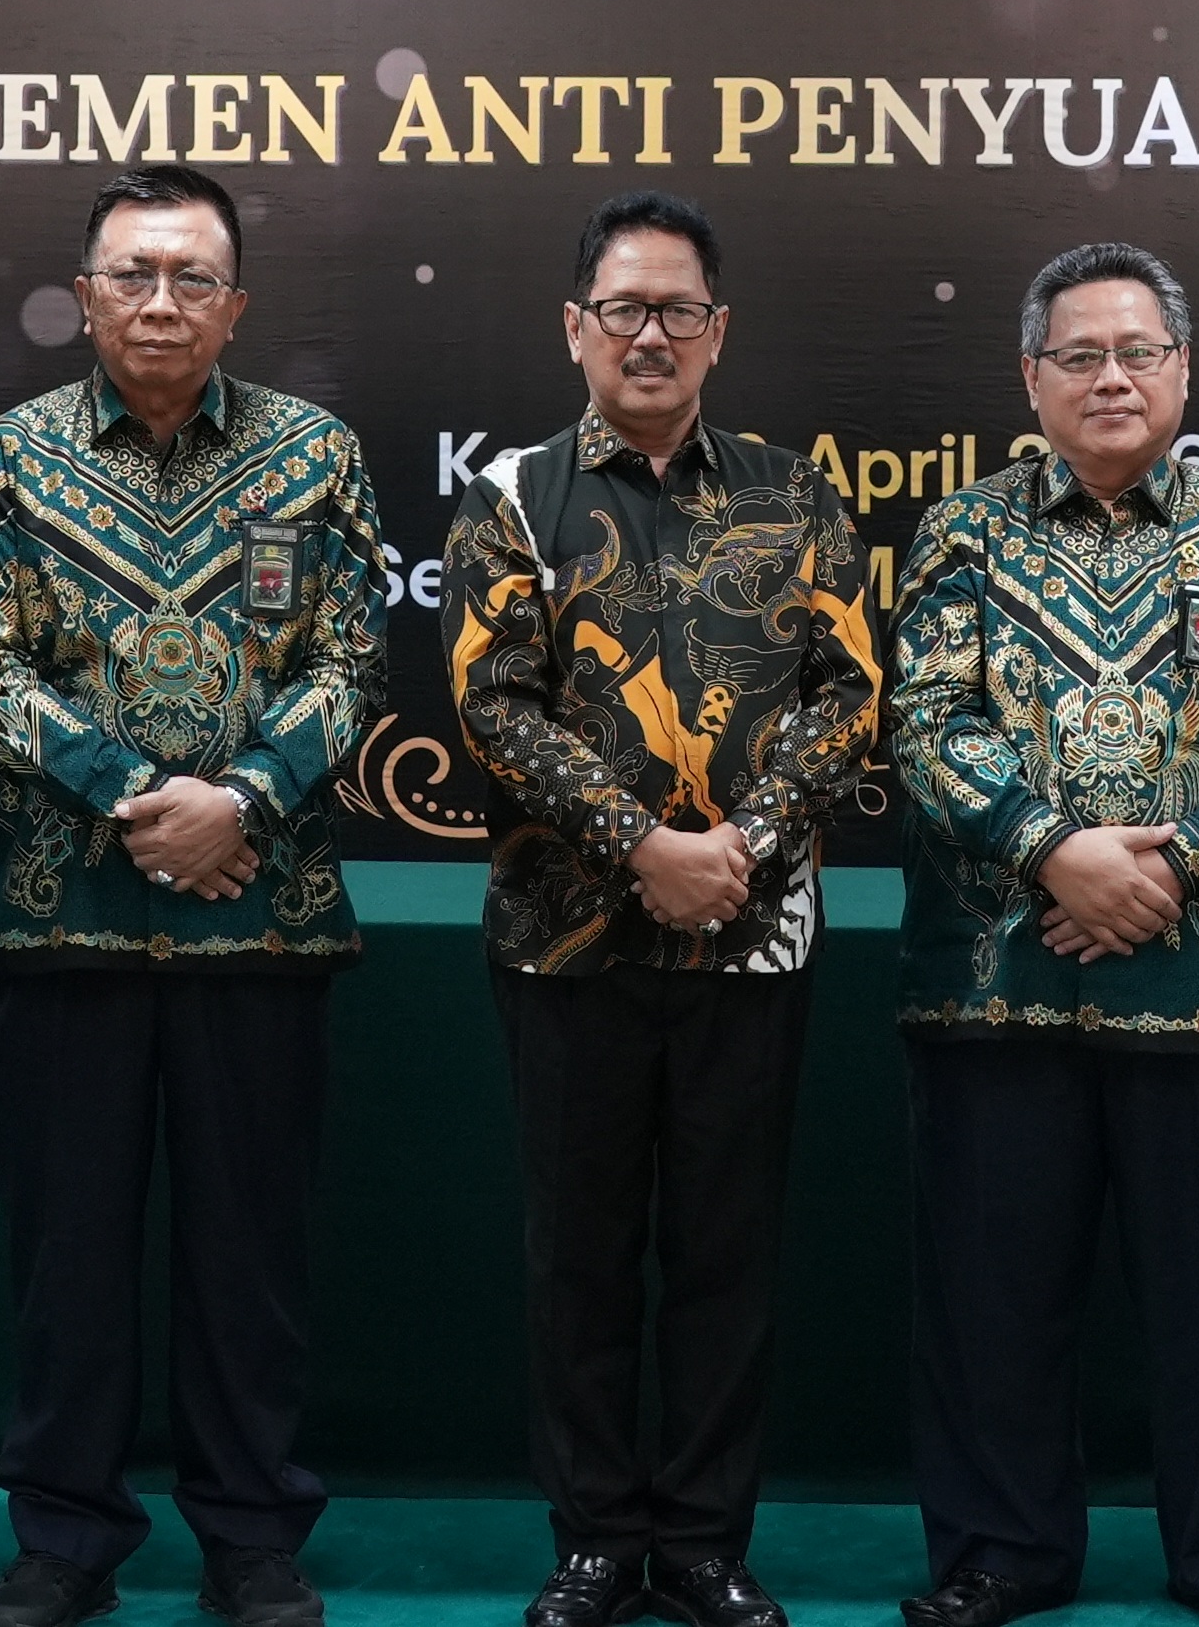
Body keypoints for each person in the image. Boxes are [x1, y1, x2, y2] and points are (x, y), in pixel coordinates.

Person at [0, 164, 387, 1627]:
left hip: (262, 924)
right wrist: (138, 800)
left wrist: (239, 800)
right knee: (66, 1257)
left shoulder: (315, 455)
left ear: (235, 305)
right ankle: (65, 1533)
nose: (160, 301)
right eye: (132, 274)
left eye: (192, 277)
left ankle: (250, 1533)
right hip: (59, 922)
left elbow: (354, 662)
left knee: (249, 1259)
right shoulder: (6, 460)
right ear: (84, 297)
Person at [888, 242, 1199, 1627]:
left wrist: (1178, 865)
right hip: (999, 981)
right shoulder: (961, 535)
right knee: (992, 1298)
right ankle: (998, 1552)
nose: (1109, 378)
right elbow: (925, 724)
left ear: (1183, 372)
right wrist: (1054, 852)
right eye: (1078, 355)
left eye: (1136, 352)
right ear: (1029, 377)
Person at [443, 193, 879, 1627]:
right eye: (622, 309)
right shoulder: (513, 497)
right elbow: (491, 702)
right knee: (576, 1256)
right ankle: (591, 1540)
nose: (649, 335)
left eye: (676, 311)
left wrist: (738, 845)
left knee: (724, 1253)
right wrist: (640, 845)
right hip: (565, 940)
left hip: (751, 935)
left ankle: (700, 1541)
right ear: (574, 327)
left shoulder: (794, 496)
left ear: (718, 331)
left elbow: (848, 694)